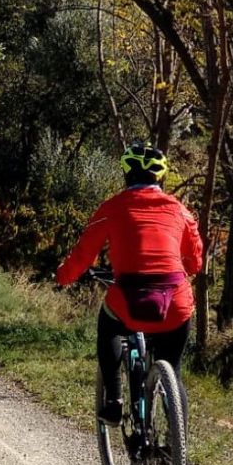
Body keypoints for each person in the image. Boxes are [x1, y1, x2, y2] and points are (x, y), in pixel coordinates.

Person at [56, 143, 202, 425]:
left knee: (108, 322)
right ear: (160, 178)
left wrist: (62, 277)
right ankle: (178, 454)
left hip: (128, 300)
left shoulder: (112, 207)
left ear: (126, 175)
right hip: (175, 301)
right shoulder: (181, 211)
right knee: (175, 369)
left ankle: (114, 401)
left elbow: (84, 255)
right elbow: (195, 261)